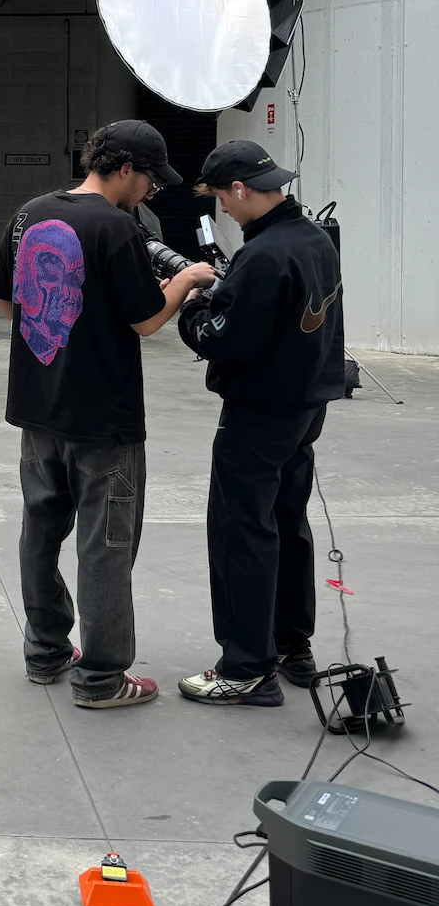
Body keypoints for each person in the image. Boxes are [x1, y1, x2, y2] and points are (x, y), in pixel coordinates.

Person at [0, 121, 217, 709]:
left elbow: (1, 299)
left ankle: (45, 653)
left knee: (40, 533)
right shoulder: (116, 227)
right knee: (106, 548)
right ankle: (102, 678)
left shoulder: (31, 211)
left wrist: (61, 331)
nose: (149, 193)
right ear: (125, 169)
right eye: (149, 181)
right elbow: (145, 320)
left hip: (38, 411)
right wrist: (187, 280)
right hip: (104, 423)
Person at [176, 140, 345, 707]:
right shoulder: (316, 240)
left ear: (241, 191)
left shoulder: (265, 255)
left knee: (239, 530)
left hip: (258, 412)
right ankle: (292, 645)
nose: (224, 209)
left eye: (224, 197)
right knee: (287, 520)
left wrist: (196, 305)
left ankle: (246, 667)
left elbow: (226, 338)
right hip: (305, 407)